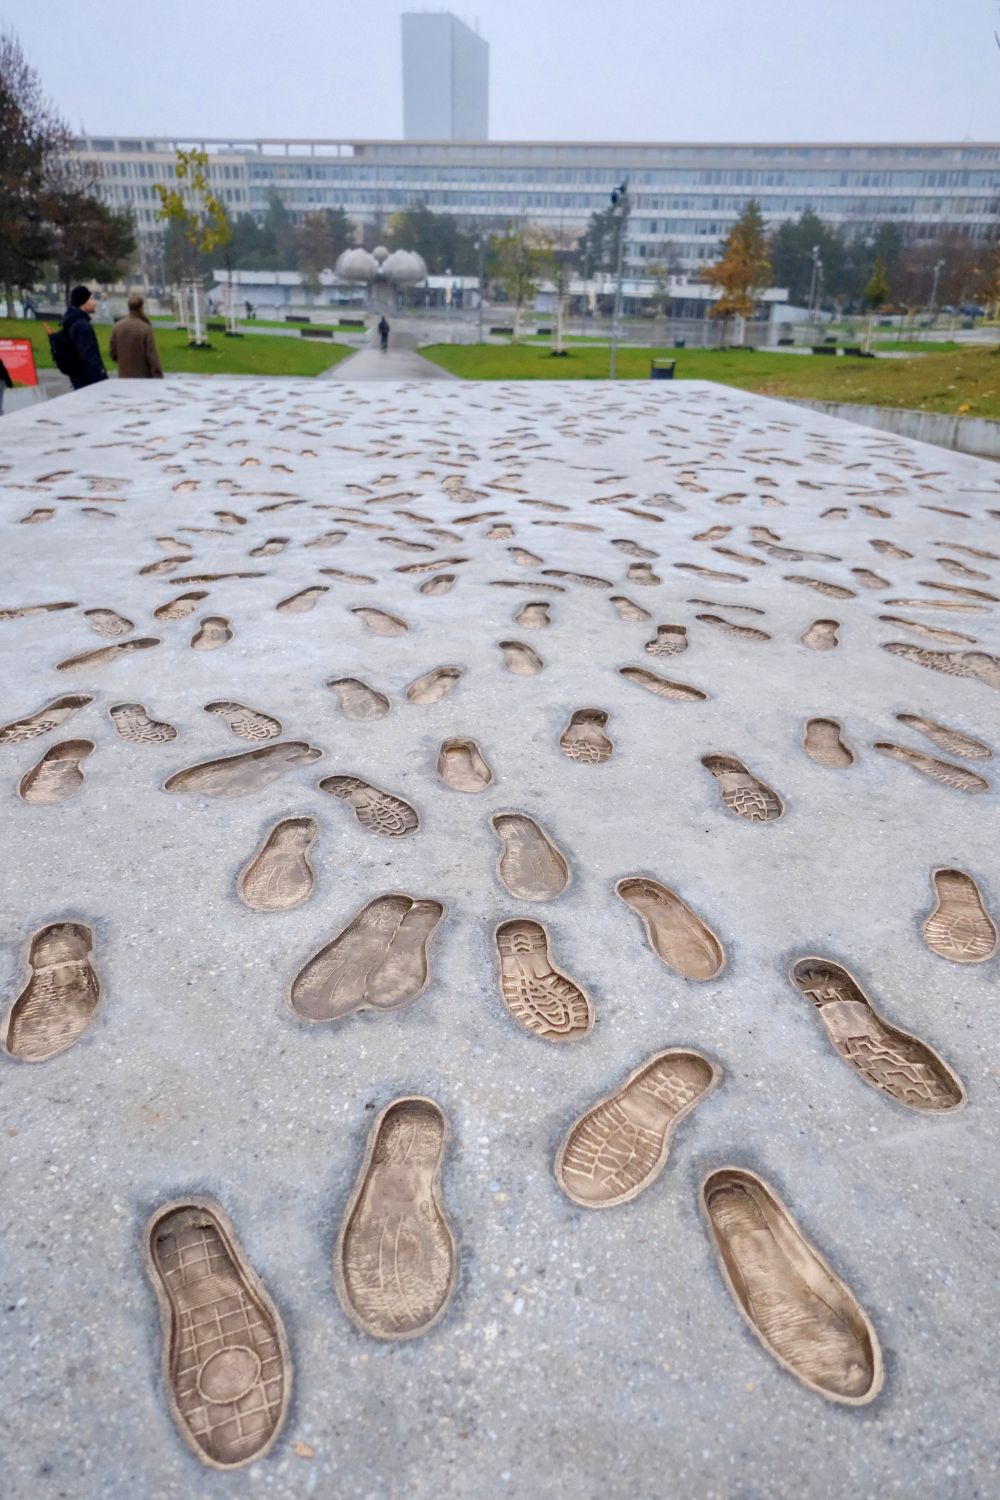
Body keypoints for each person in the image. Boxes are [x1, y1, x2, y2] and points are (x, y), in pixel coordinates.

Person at [62, 286, 108, 390]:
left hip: (78, 379)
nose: (94, 302)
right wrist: (102, 383)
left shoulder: (71, 321)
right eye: (91, 299)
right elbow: (89, 358)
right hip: (89, 383)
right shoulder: (83, 327)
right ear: (82, 302)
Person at [109, 294, 164, 380]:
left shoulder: (117, 327)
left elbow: (113, 353)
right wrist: (158, 376)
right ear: (141, 308)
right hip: (143, 377)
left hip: (123, 376)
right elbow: (152, 356)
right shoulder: (145, 328)